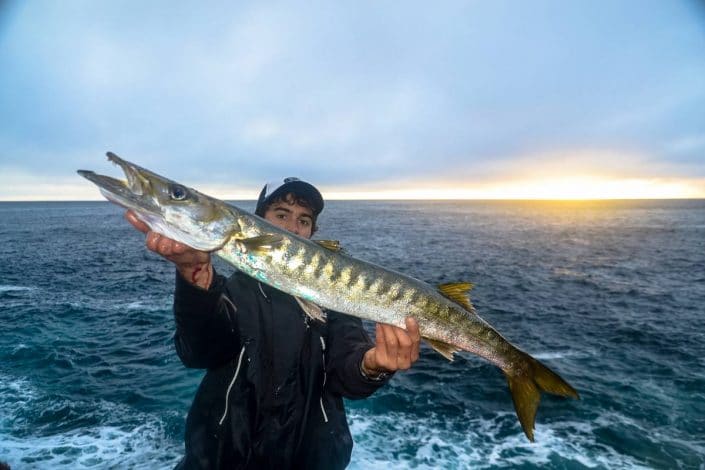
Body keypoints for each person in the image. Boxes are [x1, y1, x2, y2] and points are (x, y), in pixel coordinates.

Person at [125, 177, 420, 469]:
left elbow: (348, 373)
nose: (293, 228)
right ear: (258, 221)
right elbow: (199, 352)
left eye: (304, 221)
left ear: (312, 232)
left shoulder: (334, 302)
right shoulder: (227, 292)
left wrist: (373, 366)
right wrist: (194, 276)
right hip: (222, 459)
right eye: (281, 215)